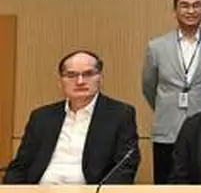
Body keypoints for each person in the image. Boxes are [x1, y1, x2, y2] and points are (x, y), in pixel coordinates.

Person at [5, 50, 139, 185]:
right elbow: (21, 165)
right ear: (61, 80)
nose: (80, 81)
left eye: (88, 74)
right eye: (71, 75)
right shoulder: (41, 117)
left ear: (100, 77)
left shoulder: (119, 114)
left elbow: (125, 167)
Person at [142, 0, 201, 184]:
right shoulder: (156, 47)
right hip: (167, 127)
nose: (191, 11)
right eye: (185, 6)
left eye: (197, 6)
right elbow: (148, 86)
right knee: (166, 186)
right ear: (174, 11)